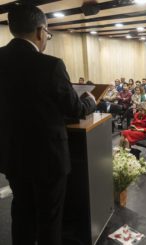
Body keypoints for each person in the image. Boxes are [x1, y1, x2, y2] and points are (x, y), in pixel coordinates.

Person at [0, 4, 96, 245]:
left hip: (12, 153)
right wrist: (91, 101)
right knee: (49, 219)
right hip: (48, 158)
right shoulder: (50, 65)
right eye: (48, 35)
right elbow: (74, 109)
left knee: (21, 211)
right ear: (41, 31)